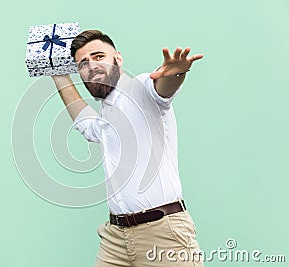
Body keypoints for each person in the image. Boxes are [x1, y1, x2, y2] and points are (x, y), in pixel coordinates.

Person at [52, 30, 204, 267]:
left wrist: (176, 74)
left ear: (118, 59)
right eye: (83, 63)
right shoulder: (107, 114)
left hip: (163, 234)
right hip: (115, 238)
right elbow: (88, 126)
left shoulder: (140, 88)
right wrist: (60, 77)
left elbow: (162, 86)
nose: (92, 65)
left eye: (99, 55)